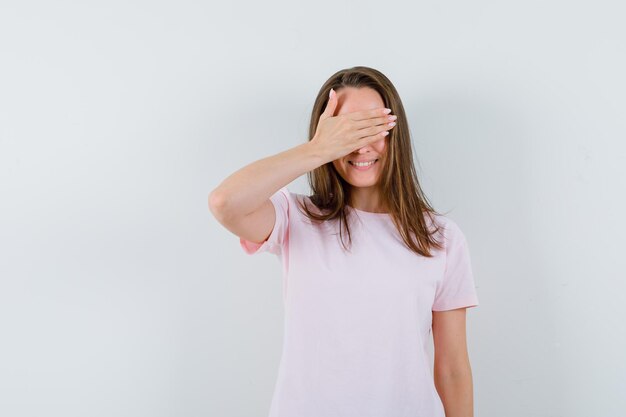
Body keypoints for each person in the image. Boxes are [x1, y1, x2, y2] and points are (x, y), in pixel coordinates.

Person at [209, 66, 479, 417]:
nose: (361, 144)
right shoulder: (295, 217)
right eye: (347, 131)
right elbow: (225, 202)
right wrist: (317, 149)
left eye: (373, 127)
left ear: (396, 131)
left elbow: (453, 369)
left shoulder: (440, 238)